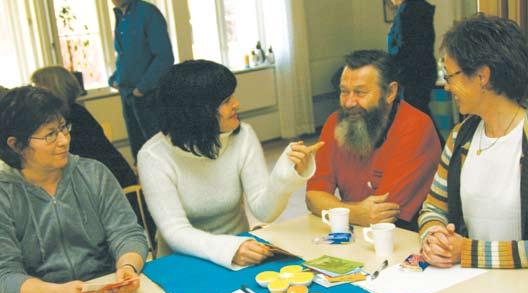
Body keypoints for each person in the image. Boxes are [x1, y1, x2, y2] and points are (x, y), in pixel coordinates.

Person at [138, 60, 323, 268]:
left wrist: (285, 174)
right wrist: (229, 249)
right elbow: (175, 231)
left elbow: (264, 211)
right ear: (196, 110)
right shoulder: (153, 156)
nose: (237, 104)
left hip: (243, 253)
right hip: (182, 262)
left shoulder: (243, 136)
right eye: (226, 101)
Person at [0, 86, 148, 293]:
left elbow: (127, 232)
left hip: (106, 292)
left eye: (63, 129)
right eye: (50, 135)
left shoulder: (94, 174)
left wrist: (127, 269)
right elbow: (6, 274)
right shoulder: (5, 194)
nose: (63, 141)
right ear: (15, 144)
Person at [419, 14, 528, 269]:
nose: (447, 86)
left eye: (450, 76)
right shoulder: (460, 137)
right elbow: (432, 208)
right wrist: (434, 236)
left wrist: (470, 252)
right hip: (467, 285)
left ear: (483, 76)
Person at [306, 50, 441, 230]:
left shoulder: (416, 126)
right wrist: (355, 213)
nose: (349, 103)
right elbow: (313, 197)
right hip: (355, 231)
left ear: (390, 92)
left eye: (360, 93)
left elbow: (382, 214)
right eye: (344, 92)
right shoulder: (334, 123)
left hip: (405, 235)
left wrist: (337, 210)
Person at [31, 66, 137, 188]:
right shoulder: (67, 113)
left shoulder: (73, 116)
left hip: (110, 184)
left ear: (54, 88)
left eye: (37, 87)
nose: (34, 93)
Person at [109, 0, 174, 161]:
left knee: (159, 155)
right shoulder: (120, 15)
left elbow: (164, 57)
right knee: (140, 155)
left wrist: (141, 89)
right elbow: (126, 55)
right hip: (127, 95)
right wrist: (115, 79)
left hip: (148, 95)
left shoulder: (147, 13)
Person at [387, 0, 437, 116]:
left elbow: (402, 47)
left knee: (415, 114)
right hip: (422, 71)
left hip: (412, 74)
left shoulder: (407, 10)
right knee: (418, 112)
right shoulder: (419, 8)